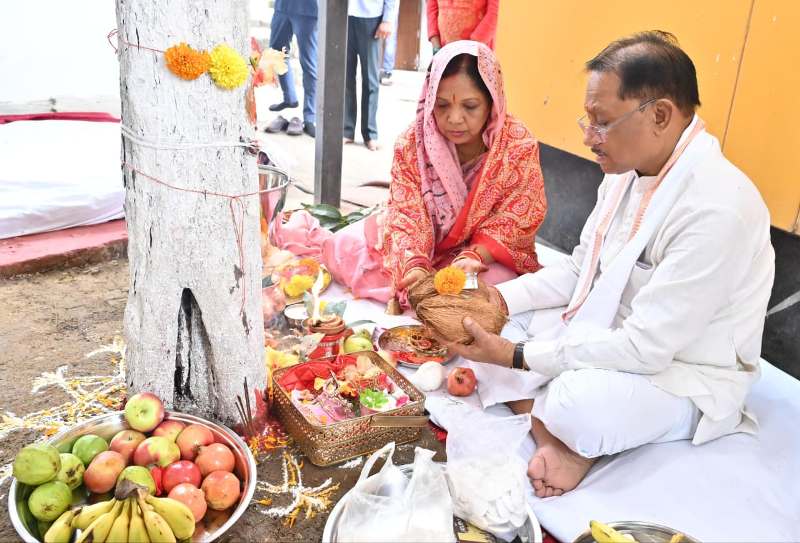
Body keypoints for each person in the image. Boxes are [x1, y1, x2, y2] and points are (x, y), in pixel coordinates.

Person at [446, 31, 775, 498]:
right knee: (485, 328)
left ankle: (558, 424)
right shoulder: (627, 171)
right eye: (588, 120)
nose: (587, 137)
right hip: (606, 333)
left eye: (601, 123)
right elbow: (580, 271)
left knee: (576, 404)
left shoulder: (717, 207)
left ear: (659, 115)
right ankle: (554, 438)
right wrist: (493, 300)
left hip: (684, 372)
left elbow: (645, 349)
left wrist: (515, 356)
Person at [321, 40, 547, 304]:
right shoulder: (413, 144)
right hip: (418, 248)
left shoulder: (517, 145)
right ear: (429, 101)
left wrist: (475, 255)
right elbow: (407, 211)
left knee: (495, 285)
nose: (454, 118)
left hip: (478, 254)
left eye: (470, 106)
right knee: (342, 246)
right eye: (442, 105)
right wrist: (414, 264)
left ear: (492, 102)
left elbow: (516, 217)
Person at [344, 0, 398, 150]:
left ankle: (370, 133)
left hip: (371, 17)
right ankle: (346, 130)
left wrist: (387, 19)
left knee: (370, 79)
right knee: (345, 76)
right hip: (344, 14)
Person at [264, 0, 318, 137]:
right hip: (282, 7)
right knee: (277, 53)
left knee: (310, 64)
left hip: (308, 9)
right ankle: (289, 98)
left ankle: (310, 117)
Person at [428, 0, 499, 53]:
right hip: (444, 51)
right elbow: (432, 10)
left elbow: (494, 13)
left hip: (476, 51)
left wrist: (471, 48)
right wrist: (436, 46)